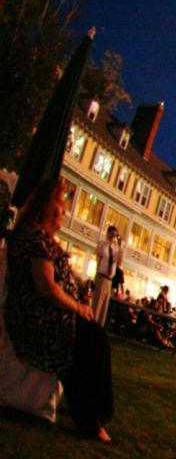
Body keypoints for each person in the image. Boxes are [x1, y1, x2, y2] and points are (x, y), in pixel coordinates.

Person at [3, 180, 114, 441]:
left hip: (50, 314)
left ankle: (96, 414)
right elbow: (46, 286)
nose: (64, 213)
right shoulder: (35, 240)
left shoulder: (39, 239)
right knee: (87, 343)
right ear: (48, 210)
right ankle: (92, 418)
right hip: (39, 319)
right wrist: (77, 307)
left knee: (92, 339)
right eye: (60, 208)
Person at [90, 225, 124, 327]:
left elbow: (119, 261)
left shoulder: (115, 249)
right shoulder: (102, 244)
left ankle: (99, 329)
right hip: (101, 276)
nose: (113, 236)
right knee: (97, 305)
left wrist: (120, 244)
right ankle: (92, 326)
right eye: (112, 233)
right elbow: (100, 252)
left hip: (109, 280)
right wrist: (108, 241)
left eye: (115, 234)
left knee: (104, 308)